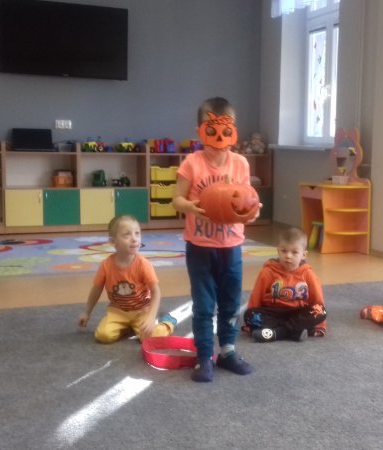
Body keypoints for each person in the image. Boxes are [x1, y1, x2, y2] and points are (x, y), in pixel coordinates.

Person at [172, 96, 260, 382]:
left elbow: (246, 200)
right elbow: (176, 199)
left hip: (231, 247)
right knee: (204, 305)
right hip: (200, 247)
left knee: (231, 303)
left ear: (234, 131)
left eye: (226, 130)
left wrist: (253, 212)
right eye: (211, 131)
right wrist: (191, 207)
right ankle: (204, 356)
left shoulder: (240, 164)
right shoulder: (192, 163)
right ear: (200, 131)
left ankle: (228, 351)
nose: (219, 138)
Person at [78, 215, 176, 343]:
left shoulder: (143, 264)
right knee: (103, 336)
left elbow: (155, 292)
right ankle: (127, 327)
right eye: (127, 235)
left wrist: (151, 317)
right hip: (117, 311)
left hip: (142, 311)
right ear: (113, 242)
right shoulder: (106, 265)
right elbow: (96, 289)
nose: (134, 239)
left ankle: (167, 322)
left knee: (154, 336)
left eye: (137, 233)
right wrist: (87, 312)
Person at [243, 227, 327, 342]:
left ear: (304, 255)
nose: (288, 256)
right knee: (249, 315)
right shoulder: (267, 272)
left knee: (321, 311)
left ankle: (277, 333)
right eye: (284, 251)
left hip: (298, 313)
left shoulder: (308, 274)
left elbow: (317, 300)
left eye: (294, 252)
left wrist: (320, 326)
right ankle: (294, 332)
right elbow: (256, 297)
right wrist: (249, 324)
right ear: (278, 251)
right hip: (273, 313)